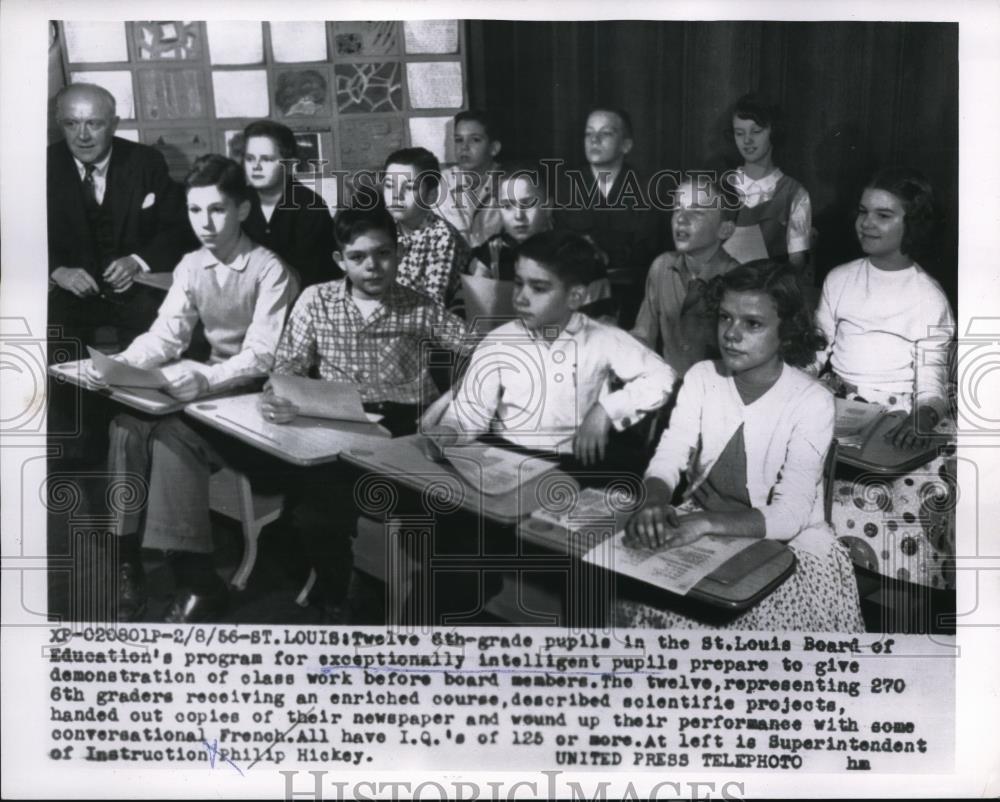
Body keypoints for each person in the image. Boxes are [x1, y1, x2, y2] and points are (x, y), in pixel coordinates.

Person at [90, 154, 298, 623]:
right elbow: (168, 334)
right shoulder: (190, 264)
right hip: (206, 389)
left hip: (255, 398)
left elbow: (261, 355)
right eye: (194, 210)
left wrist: (205, 378)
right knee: (124, 426)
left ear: (242, 210)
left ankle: (199, 580)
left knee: (168, 439)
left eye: (217, 210)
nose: (204, 222)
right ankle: (128, 560)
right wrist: (121, 364)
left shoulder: (270, 270)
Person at [616, 260, 864, 631]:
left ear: (788, 332)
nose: (732, 334)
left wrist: (703, 523)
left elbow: (790, 514)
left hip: (788, 544)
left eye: (753, 324)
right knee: (637, 594)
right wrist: (654, 501)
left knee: (747, 623)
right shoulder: (702, 377)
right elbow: (670, 454)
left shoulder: (811, 401)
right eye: (725, 318)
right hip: (704, 525)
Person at [258, 206, 473, 621]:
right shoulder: (315, 300)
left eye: (383, 254)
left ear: (398, 254)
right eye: (357, 257)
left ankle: (422, 603)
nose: (372, 266)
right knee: (314, 512)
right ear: (340, 260)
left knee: (438, 513)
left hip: (406, 422)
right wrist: (277, 395)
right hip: (339, 422)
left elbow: (482, 352)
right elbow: (287, 367)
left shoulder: (420, 305)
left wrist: (455, 398)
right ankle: (341, 589)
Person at [817, 168, 956, 593]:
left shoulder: (927, 295)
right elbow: (815, 352)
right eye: (863, 212)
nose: (867, 223)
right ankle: (820, 584)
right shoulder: (840, 278)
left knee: (914, 499)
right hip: (839, 400)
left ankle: (896, 597)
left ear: (910, 225)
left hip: (901, 411)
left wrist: (923, 417)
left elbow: (931, 384)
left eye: (883, 215)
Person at [429, 229, 675, 467]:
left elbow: (662, 375)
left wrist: (606, 410)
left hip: (571, 461)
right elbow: (471, 409)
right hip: (507, 456)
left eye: (538, 288)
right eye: (518, 283)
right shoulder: (498, 342)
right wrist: (450, 431)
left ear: (575, 297)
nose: (521, 298)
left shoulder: (601, 338)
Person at [47, 82, 196, 351]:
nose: (82, 135)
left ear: (114, 124)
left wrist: (137, 260)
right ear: (60, 124)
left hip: (136, 293)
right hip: (68, 297)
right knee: (57, 364)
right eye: (71, 124)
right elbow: (16, 237)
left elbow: (179, 228)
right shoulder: (42, 166)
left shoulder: (145, 161)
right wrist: (58, 271)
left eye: (94, 123)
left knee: (157, 349)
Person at [552, 107, 665, 327]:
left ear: (626, 145)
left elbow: (649, 251)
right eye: (589, 133)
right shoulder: (566, 186)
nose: (594, 140)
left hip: (635, 299)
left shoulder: (648, 189)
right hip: (580, 300)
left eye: (605, 133)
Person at [466, 165, 612, 322]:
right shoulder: (492, 253)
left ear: (548, 206)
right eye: (507, 206)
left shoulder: (580, 255)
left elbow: (599, 327)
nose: (518, 215)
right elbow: (477, 318)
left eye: (527, 203)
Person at [631, 173, 741, 374]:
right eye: (676, 209)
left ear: (725, 230)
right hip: (669, 390)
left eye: (697, 212)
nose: (681, 219)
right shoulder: (661, 267)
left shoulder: (737, 280)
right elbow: (643, 334)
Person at [240, 119, 338, 289]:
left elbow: (315, 277)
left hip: (302, 304)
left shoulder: (311, 206)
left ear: (289, 165)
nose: (255, 166)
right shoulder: (236, 203)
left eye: (266, 159)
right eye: (250, 158)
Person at [722, 94, 813, 275]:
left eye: (756, 132)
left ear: (774, 131)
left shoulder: (794, 193)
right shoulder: (719, 188)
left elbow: (797, 262)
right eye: (739, 133)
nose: (747, 140)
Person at [382, 147, 470, 305]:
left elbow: (432, 307)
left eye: (409, 188)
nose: (396, 195)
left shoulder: (443, 238)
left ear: (432, 195)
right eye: (389, 186)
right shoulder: (385, 231)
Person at [434, 109, 504, 248]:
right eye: (459, 140)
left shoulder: (511, 183)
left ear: (494, 148)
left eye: (475, 140)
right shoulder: (440, 183)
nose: (464, 147)